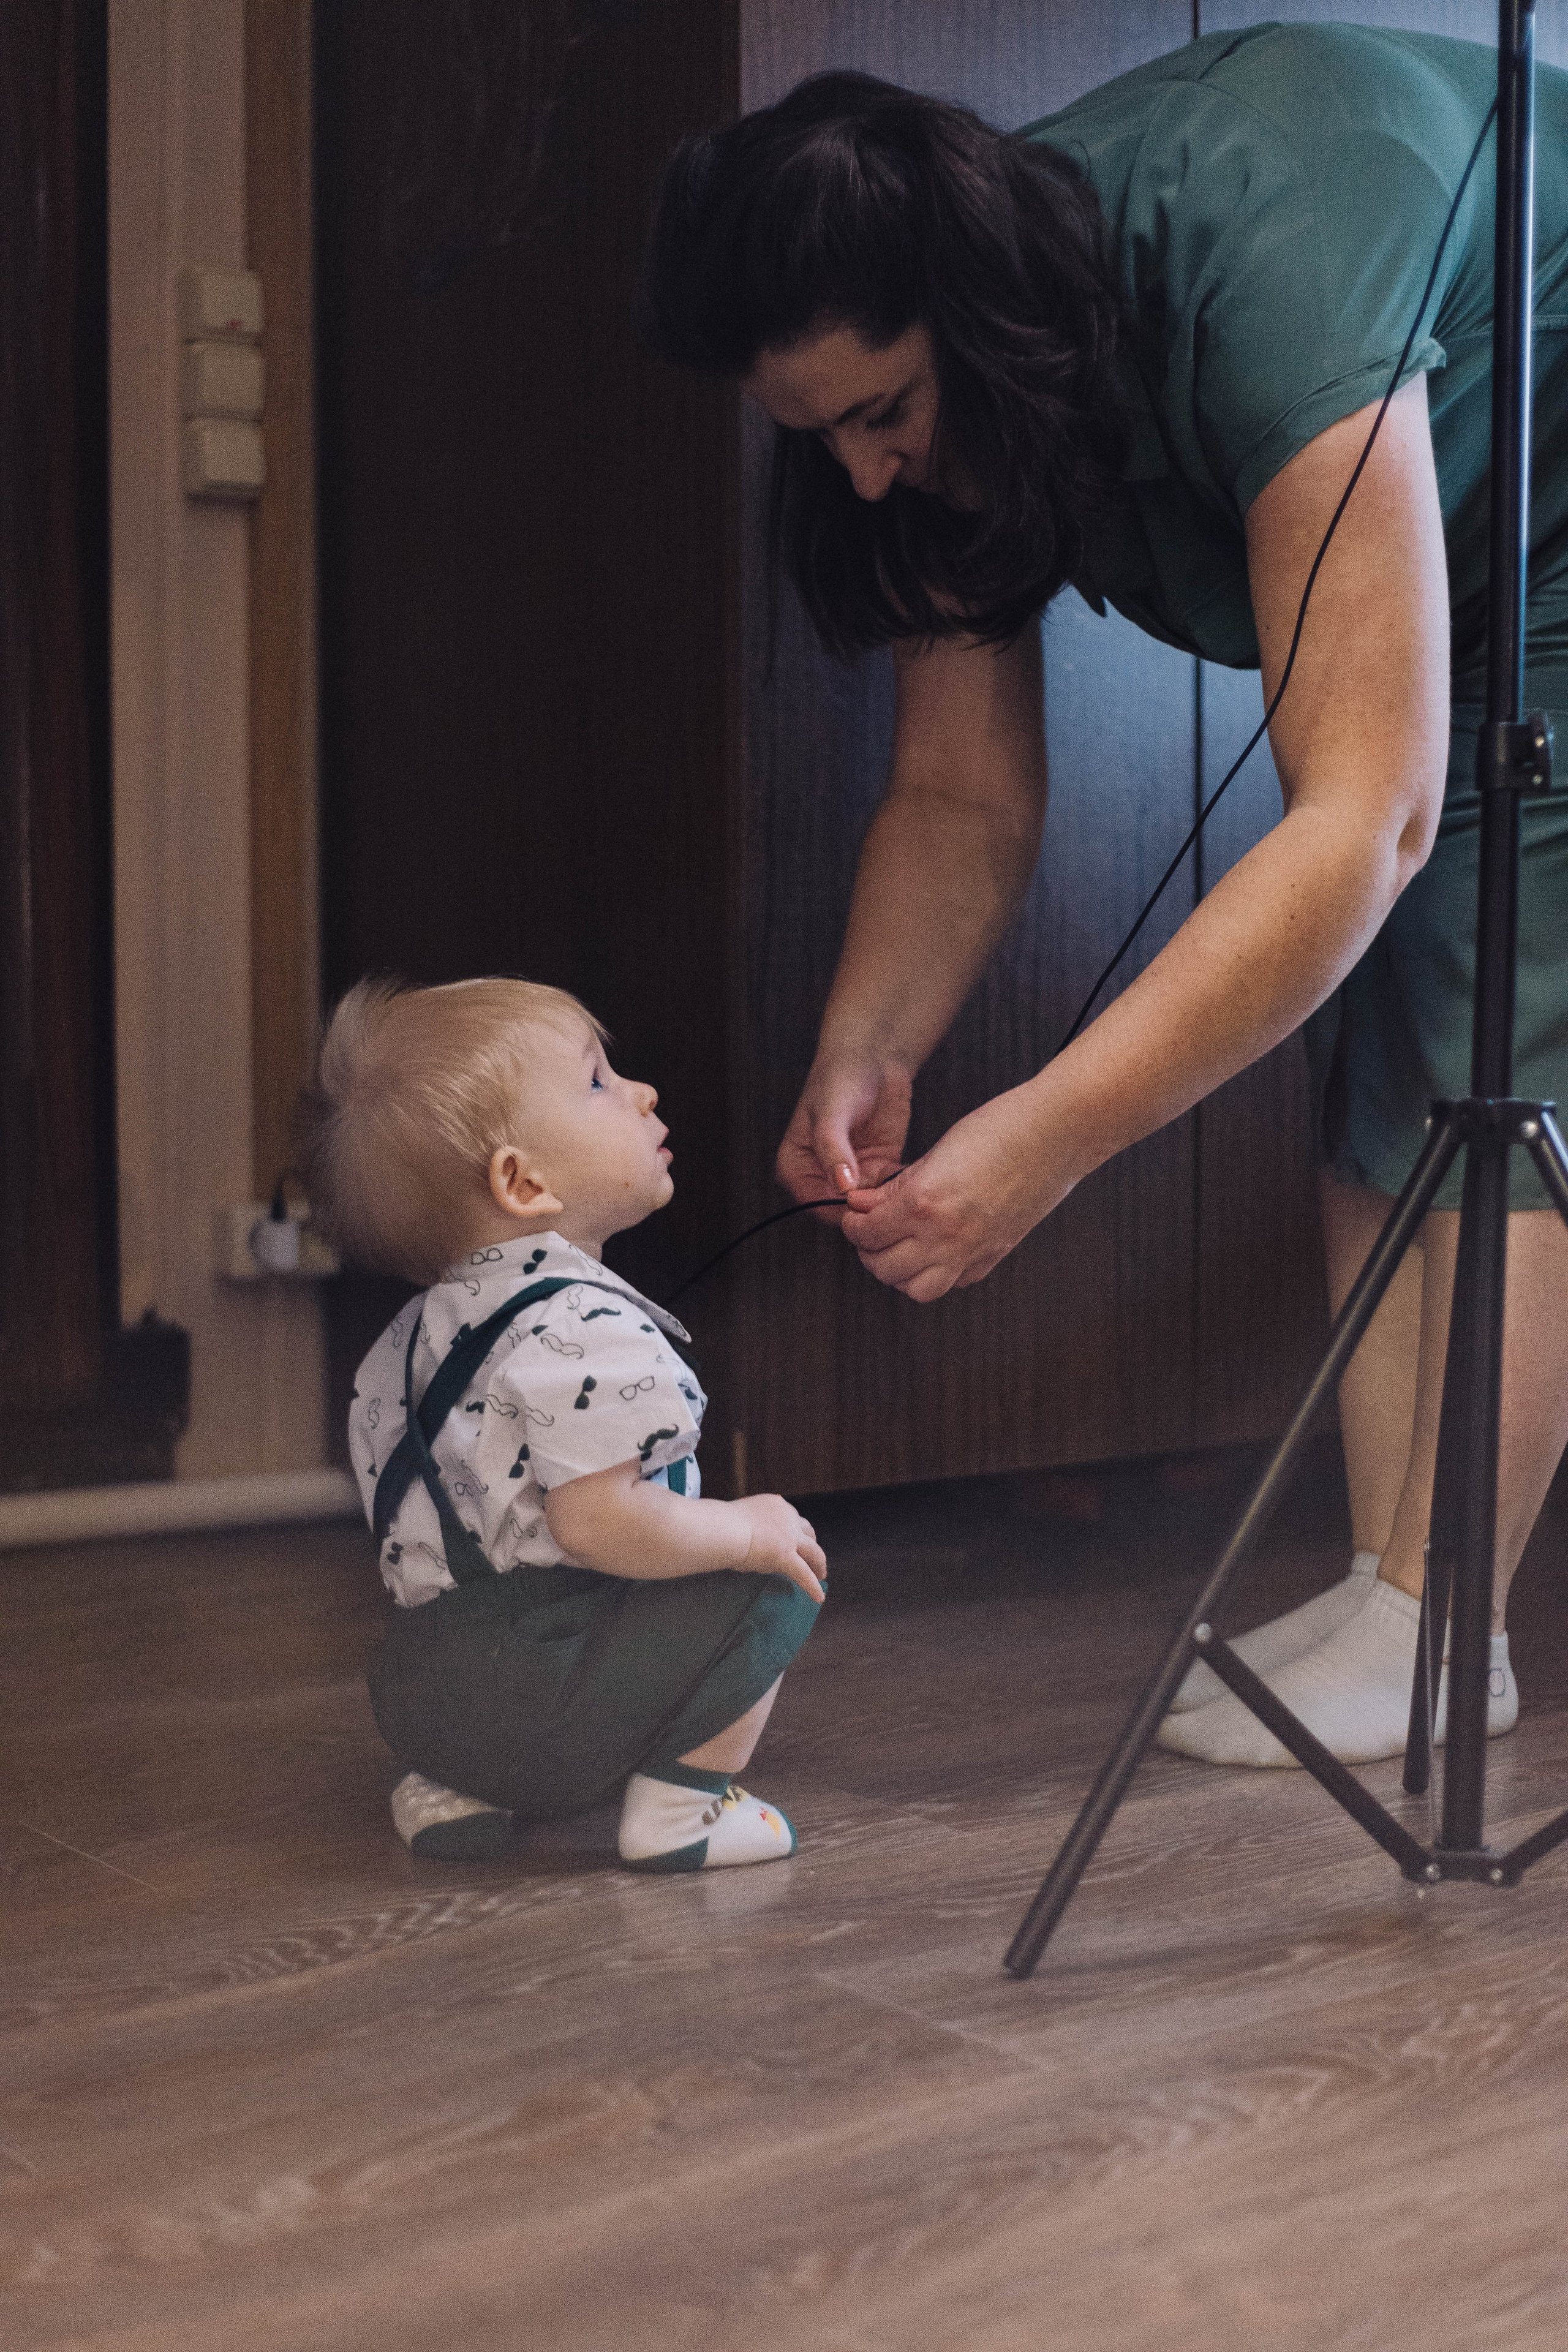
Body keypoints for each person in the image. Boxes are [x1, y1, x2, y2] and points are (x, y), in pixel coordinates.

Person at [636, 23, 1568, 1766]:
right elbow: (959, 793)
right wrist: (865, 1046)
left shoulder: (1262, 252)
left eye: (882, 413)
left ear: (974, 319)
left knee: (1487, 995)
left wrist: (1048, 1143)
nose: (861, 472)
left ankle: (1444, 1630)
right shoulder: (931, 406)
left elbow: (1370, 819)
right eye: (813, 435)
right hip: (1463, 524)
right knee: (1373, 1019)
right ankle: (1391, 1593)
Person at [304, 975, 823, 1866]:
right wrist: (746, 1530)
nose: (641, 1092)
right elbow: (596, 1524)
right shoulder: (588, 1325)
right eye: (597, 1081)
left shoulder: (408, 1340)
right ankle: (681, 1813)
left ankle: (453, 1790)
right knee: (777, 1577)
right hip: (539, 1689)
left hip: (421, 1695)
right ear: (523, 1181)